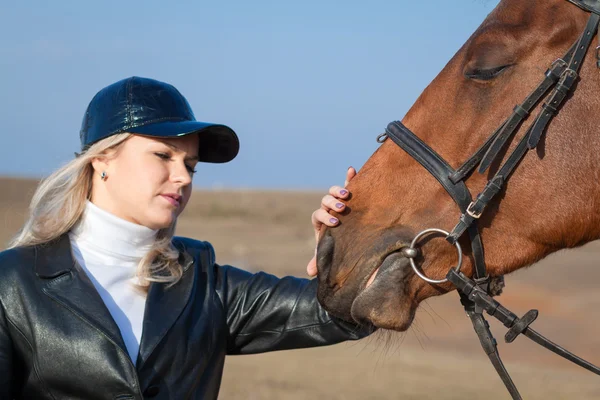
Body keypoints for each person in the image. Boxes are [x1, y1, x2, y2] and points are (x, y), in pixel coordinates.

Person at [0, 76, 370, 400]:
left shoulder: (202, 282)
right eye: (163, 155)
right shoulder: (13, 283)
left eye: (190, 165)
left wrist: (347, 241)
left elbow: (338, 312)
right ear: (103, 159)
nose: (184, 177)